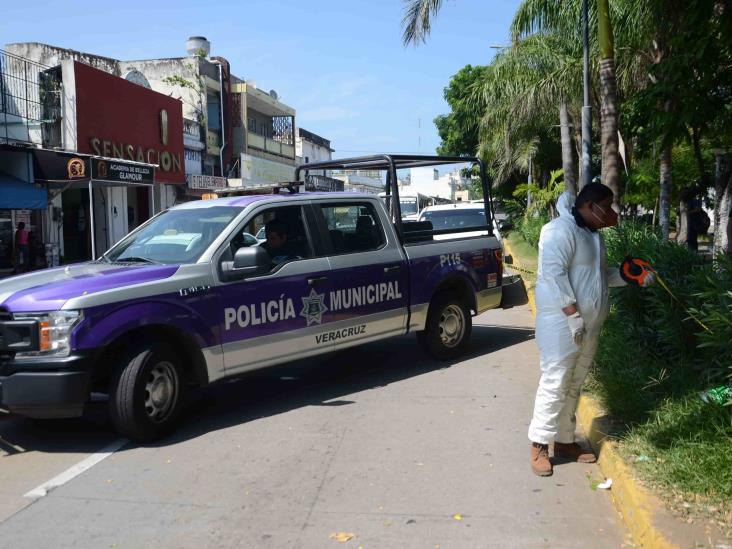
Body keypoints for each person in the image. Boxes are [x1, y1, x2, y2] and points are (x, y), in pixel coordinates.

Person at [528, 184, 655, 477]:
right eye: (607, 206)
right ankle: (539, 444)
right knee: (555, 382)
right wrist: (572, 314)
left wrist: (628, 277)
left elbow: (598, 277)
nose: (611, 213)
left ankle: (564, 440)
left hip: (589, 325)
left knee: (575, 383)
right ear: (589, 206)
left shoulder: (593, 236)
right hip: (561, 323)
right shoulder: (559, 231)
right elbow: (552, 275)